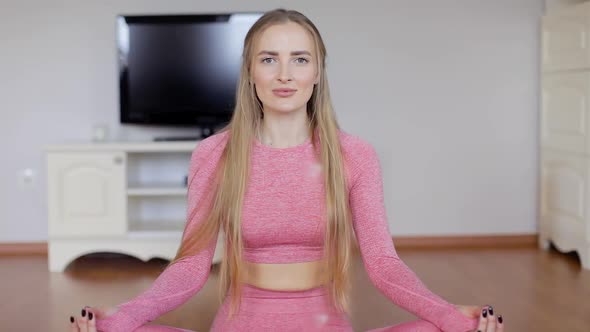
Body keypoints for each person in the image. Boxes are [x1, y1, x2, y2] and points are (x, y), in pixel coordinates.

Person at [68, 8, 505, 332]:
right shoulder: (213, 154)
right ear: (250, 72)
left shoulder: (354, 155)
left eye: (299, 59)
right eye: (268, 59)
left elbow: (383, 263)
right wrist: (125, 316)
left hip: (323, 320)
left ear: (318, 73)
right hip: (242, 321)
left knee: (453, 329)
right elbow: (190, 266)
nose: (284, 75)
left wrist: (447, 315)